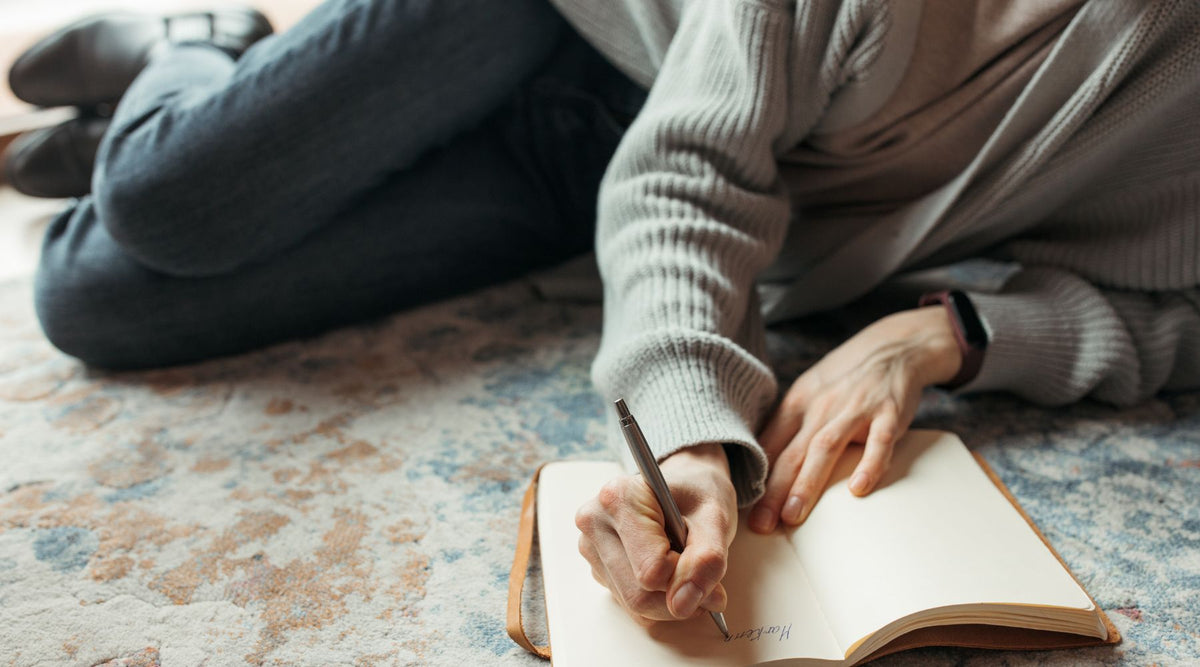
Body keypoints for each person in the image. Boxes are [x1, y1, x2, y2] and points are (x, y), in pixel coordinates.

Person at [10, 0, 1200, 631]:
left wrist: (947, 331)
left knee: (92, 296)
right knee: (170, 200)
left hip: (585, 163)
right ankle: (203, 41)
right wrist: (685, 433)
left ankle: (202, 101)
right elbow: (691, 175)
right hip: (570, 21)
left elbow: (1181, 314)